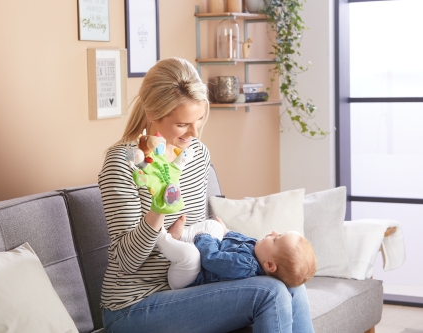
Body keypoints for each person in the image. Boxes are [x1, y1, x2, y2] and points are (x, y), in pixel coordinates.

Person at [98, 57, 315, 333]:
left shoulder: (197, 154)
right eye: (182, 124)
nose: (194, 132)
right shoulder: (123, 163)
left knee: (291, 284)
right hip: (133, 305)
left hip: (190, 286)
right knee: (269, 292)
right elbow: (126, 263)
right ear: (152, 114)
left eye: (199, 120)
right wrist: (158, 210)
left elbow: (202, 239)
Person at [156, 218, 317, 290]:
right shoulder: (259, 249)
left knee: (191, 255)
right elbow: (238, 238)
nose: (273, 232)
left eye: (276, 239)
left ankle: (160, 237)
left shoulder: (245, 266)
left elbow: (212, 259)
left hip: (187, 279)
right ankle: (181, 236)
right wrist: (225, 231)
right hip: (203, 252)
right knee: (215, 226)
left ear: (269, 265)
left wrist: (203, 237)